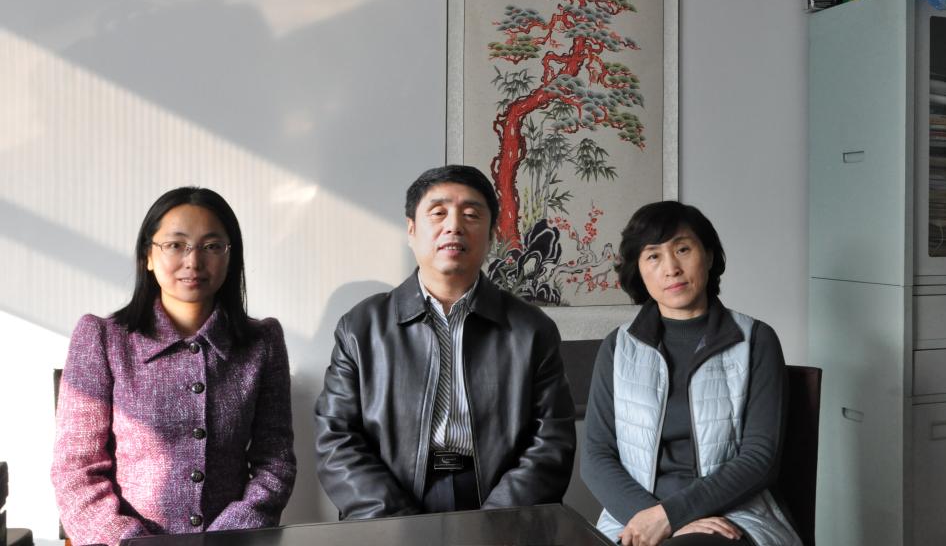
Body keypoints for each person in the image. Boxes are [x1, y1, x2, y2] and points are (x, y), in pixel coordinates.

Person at [314, 164, 576, 518]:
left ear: (492, 234)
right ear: (411, 230)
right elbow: (337, 439)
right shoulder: (361, 328)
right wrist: (398, 525)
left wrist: (495, 523)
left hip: (499, 500)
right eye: (438, 213)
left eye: (471, 214)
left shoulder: (532, 329)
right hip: (392, 498)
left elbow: (552, 441)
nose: (453, 226)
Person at [52, 187, 296, 546]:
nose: (193, 261)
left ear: (231, 257)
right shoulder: (102, 338)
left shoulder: (262, 343)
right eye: (175, 244)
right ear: (148, 256)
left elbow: (275, 462)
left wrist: (226, 539)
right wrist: (133, 542)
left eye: (211, 246)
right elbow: (76, 471)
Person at [582, 201, 800, 546]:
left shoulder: (755, 340)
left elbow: (760, 458)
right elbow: (596, 457)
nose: (671, 268)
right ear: (638, 269)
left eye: (682, 249)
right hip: (636, 515)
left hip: (731, 515)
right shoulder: (618, 347)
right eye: (653, 256)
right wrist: (654, 519)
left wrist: (671, 516)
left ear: (709, 256)